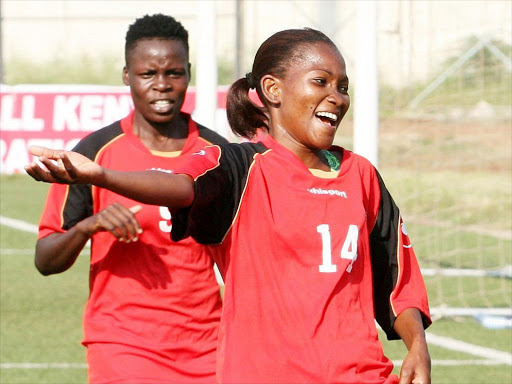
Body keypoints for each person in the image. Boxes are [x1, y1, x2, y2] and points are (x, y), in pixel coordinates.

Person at [26, 28, 431, 384]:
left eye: (342, 86)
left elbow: (397, 281)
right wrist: (101, 177)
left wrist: (417, 344)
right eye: (320, 81)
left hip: (355, 374)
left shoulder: (361, 176)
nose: (336, 97)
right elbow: (180, 186)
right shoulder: (235, 165)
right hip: (198, 360)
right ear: (273, 90)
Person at [31, 13, 228, 384]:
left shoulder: (216, 154)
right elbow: (45, 259)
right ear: (127, 76)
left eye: (174, 73)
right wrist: (89, 226)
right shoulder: (92, 154)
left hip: (207, 347)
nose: (162, 85)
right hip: (121, 344)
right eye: (148, 74)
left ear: (190, 72)